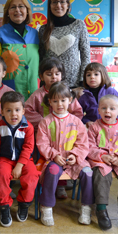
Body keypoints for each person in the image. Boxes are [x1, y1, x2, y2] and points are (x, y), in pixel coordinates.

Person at [25, 57, 84, 199]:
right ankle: (44, 183)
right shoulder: (38, 94)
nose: (53, 77)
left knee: (64, 158)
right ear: (41, 76)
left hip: (66, 136)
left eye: (57, 73)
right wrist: (43, 122)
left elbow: (77, 112)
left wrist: (67, 122)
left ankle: (61, 185)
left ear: (62, 75)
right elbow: (27, 110)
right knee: (47, 162)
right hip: (44, 136)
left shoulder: (66, 93)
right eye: (49, 74)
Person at [36, 82, 94, 227]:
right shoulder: (45, 122)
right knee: (52, 170)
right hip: (54, 159)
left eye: (63, 100)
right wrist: (54, 155)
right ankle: (46, 207)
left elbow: (83, 143)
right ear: (50, 102)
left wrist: (75, 155)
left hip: (75, 160)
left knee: (87, 173)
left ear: (70, 100)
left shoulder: (77, 122)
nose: (60, 104)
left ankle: (86, 208)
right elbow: (42, 144)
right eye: (55, 101)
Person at [0, 91, 40, 227]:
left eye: (17, 110)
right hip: (5, 159)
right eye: (8, 110)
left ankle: (24, 203)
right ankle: (4, 206)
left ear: (23, 111)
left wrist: (20, 166)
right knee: (1, 176)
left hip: (24, 160)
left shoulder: (28, 128)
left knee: (32, 175)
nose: (13, 114)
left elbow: (28, 148)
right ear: (2, 112)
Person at [87, 94, 118, 230]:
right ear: (98, 110)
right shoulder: (94, 127)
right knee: (100, 175)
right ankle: (101, 210)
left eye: (112, 108)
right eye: (104, 108)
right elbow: (89, 146)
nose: (107, 111)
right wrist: (102, 156)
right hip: (101, 160)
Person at [38, 0, 90, 97]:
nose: (58, 5)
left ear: (68, 5)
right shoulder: (43, 29)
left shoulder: (78, 25)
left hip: (74, 84)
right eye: (54, 2)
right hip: (50, 84)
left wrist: (82, 82)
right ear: (50, 6)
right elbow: (42, 58)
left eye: (62, 2)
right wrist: (43, 80)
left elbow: (86, 55)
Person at [78, 62, 118, 128]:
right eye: (88, 75)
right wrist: (87, 121)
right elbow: (78, 113)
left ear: (103, 76)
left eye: (96, 74)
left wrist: (115, 120)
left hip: (111, 127)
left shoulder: (110, 91)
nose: (92, 77)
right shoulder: (83, 97)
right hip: (93, 129)